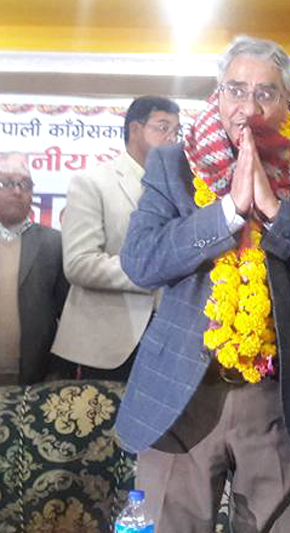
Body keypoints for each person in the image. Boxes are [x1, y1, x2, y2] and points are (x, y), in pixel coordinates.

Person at [114, 35, 290, 532]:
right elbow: (142, 261)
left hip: (278, 397)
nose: (247, 108)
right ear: (217, 94)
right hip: (183, 392)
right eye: (235, 90)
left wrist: (275, 212)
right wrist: (228, 211)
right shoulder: (173, 165)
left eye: (265, 94)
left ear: (286, 102)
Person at [52, 96, 180, 381]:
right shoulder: (92, 182)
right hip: (106, 345)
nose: (173, 138)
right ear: (135, 130)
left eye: (177, 131)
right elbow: (79, 263)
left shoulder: (184, 190)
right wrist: (151, 273)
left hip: (169, 340)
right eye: (163, 127)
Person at [0, 152, 70, 384]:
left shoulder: (53, 243)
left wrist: (58, 371)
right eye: (7, 183)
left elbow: (69, 316)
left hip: (34, 379)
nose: (18, 191)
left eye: (25, 184)